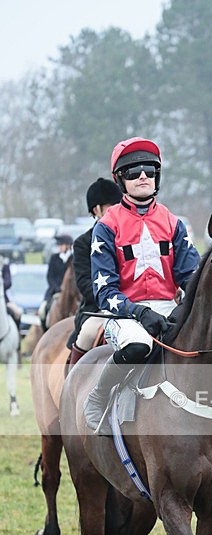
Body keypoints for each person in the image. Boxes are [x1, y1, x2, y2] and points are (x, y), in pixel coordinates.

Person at [84, 137, 200, 431]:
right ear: (120, 180)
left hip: (167, 307)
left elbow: (191, 277)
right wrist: (138, 312)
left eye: (149, 169)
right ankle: (98, 398)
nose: (143, 176)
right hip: (124, 314)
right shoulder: (106, 227)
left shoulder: (174, 223)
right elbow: (104, 291)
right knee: (138, 345)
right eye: (133, 172)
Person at [67, 177, 124, 368]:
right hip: (99, 309)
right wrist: (114, 300)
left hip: (136, 304)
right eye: (110, 207)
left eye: (119, 206)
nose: (117, 211)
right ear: (96, 210)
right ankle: (71, 384)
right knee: (88, 333)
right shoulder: (83, 243)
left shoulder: (131, 235)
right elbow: (84, 283)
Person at [38, 232, 74, 331]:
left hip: (71, 293)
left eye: (61, 245)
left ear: (68, 246)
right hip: (55, 291)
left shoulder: (73, 259)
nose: (59, 247)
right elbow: (50, 277)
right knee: (42, 311)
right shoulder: (54, 258)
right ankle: (45, 331)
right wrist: (58, 288)